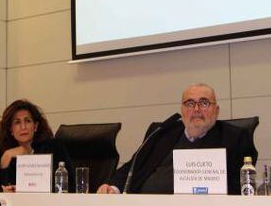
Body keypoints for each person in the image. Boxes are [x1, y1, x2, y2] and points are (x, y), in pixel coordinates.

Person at [97, 83, 258, 195]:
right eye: (189, 103)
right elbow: (131, 168)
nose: (196, 109)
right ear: (181, 110)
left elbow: (239, 188)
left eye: (204, 103)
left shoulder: (235, 138)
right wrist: (112, 188)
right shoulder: (161, 132)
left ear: (216, 111)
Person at [0, 99, 73, 192]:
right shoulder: (5, 152)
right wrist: (5, 159)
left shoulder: (53, 147)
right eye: (17, 122)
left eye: (28, 121)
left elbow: (69, 184)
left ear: (36, 126)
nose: (23, 127)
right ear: (11, 130)